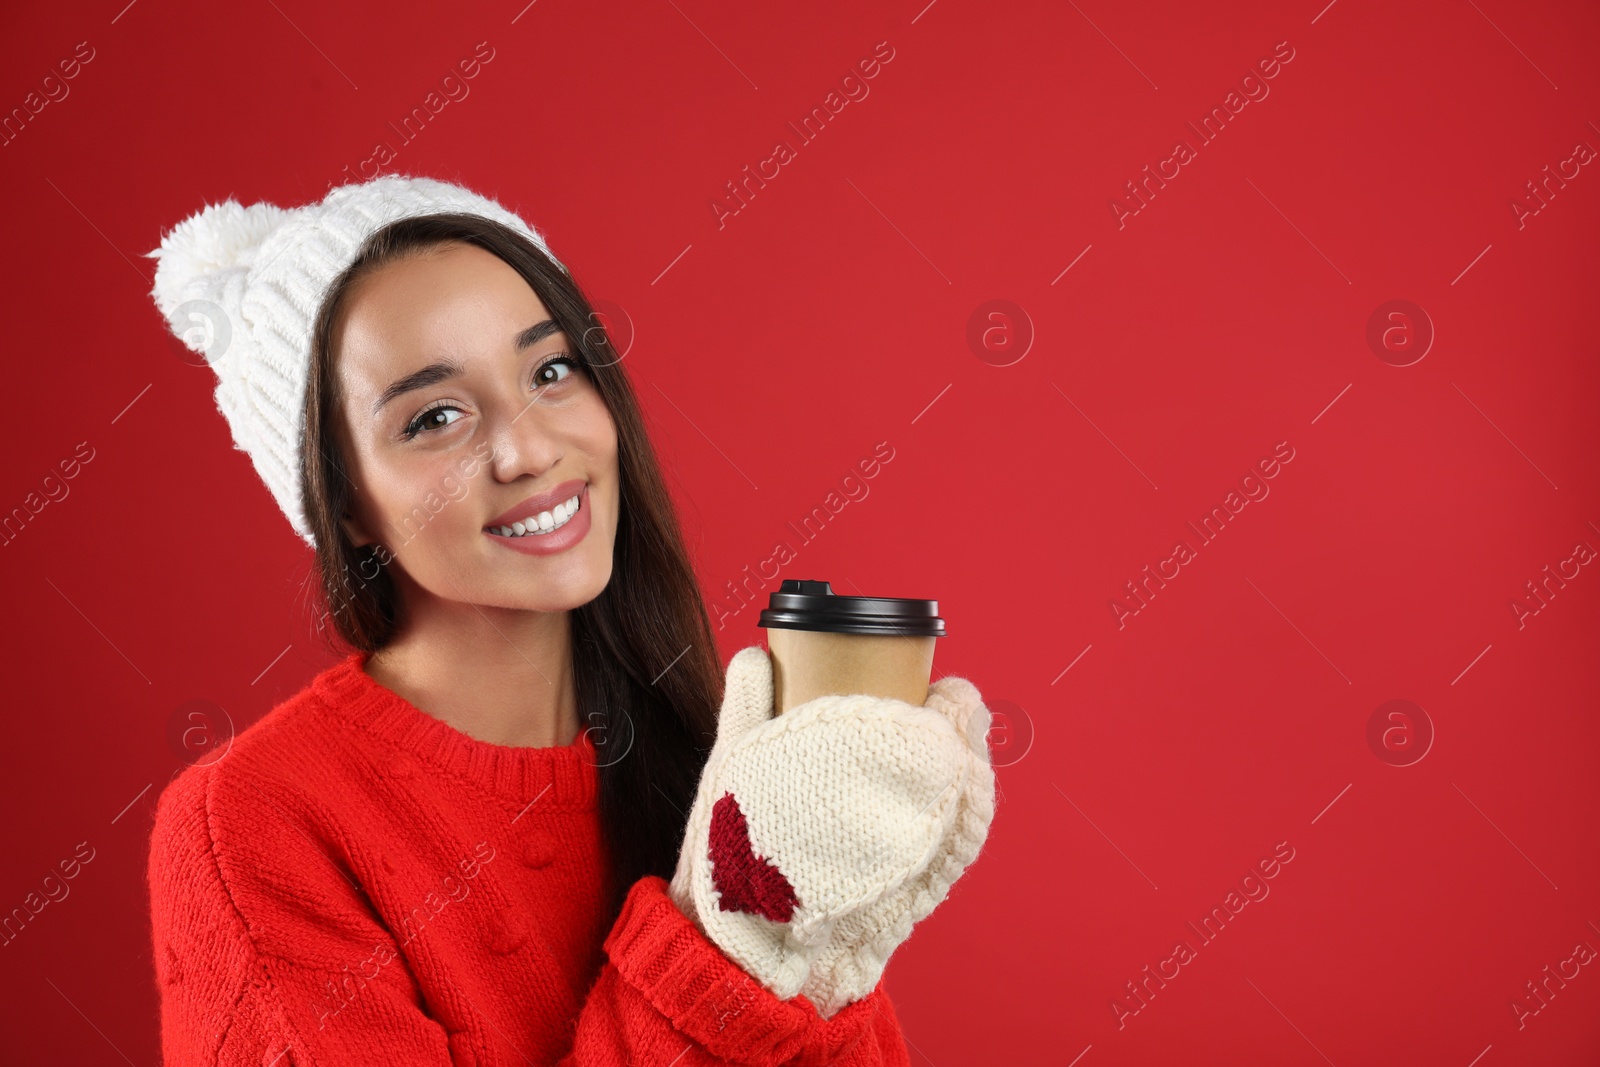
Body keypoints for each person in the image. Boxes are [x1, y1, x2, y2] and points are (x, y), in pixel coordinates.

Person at [143, 174, 996, 1065]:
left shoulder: (706, 760)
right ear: (345, 502)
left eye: (551, 370)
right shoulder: (252, 827)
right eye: (435, 417)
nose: (531, 448)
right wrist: (734, 950)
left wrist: (826, 945)